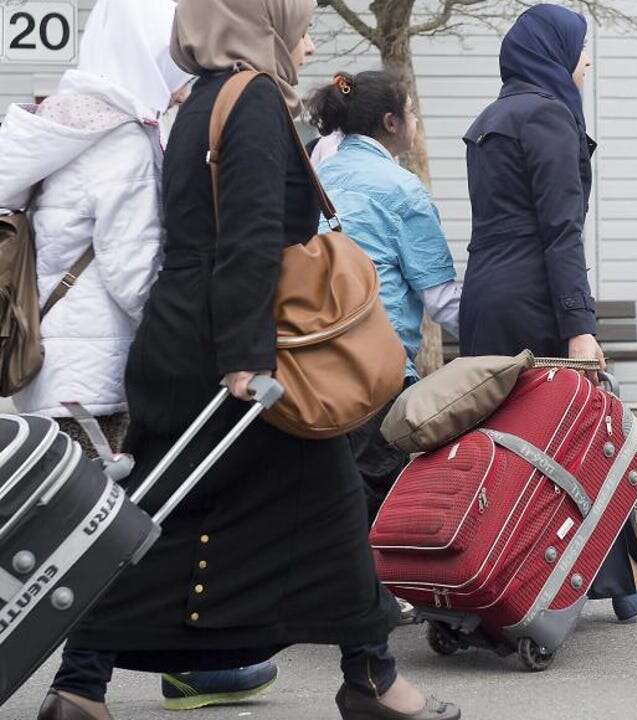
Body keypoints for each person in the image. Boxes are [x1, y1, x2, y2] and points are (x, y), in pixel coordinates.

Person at [35, 2, 461, 720]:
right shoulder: (255, 98)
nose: (310, 36)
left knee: (166, 514)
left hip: (185, 343)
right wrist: (243, 358)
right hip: (232, 357)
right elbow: (251, 236)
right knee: (318, 509)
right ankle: (373, 682)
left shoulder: (203, 98)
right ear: (257, 21)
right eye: (297, 19)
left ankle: (80, 684)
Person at [0, 0, 283, 714]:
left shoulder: (51, 123)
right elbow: (132, 275)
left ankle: (201, 664)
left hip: (50, 363)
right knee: (104, 538)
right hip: (98, 375)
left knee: (85, 532)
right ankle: (83, 682)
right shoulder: (121, 140)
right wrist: (193, 316)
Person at [460, 3, 637, 622]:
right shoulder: (549, 117)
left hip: (486, 295)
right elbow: (561, 233)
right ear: (554, 52)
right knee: (586, 437)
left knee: (503, 444)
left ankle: (488, 579)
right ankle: (624, 578)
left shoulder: (490, 118)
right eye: (581, 50)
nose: (585, 63)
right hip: (535, 294)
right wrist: (581, 327)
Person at [308, 70, 462, 521]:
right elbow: (441, 300)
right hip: (376, 368)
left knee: (331, 505)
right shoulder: (403, 190)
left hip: (312, 365)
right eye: (412, 112)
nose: (416, 121)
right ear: (392, 123)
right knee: (379, 506)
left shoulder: (316, 175)